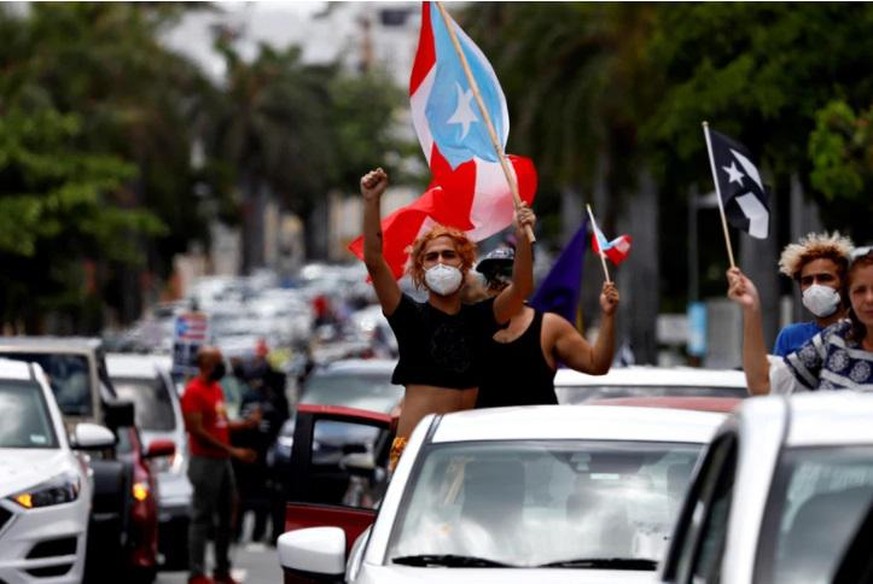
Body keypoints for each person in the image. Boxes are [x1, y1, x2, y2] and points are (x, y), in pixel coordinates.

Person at [360, 167, 535, 470]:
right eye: (431, 257)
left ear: (464, 262)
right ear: (421, 269)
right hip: (415, 456)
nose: (440, 262)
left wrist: (522, 239)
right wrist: (372, 201)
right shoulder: (408, 316)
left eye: (449, 255)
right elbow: (375, 262)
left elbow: (521, 288)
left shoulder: (481, 318)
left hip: (466, 456)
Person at [466, 247, 620, 407]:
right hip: (486, 429)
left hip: (539, 428)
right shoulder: (470, 323)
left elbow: (596, 364)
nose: (499, 282)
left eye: (508, 272)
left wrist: (608, 315)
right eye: (491, 275)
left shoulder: (549, 326)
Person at [726, 246, 873, 395]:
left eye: (824, 278)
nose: (869, 299)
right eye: (860, 290)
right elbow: (764, 385)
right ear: (850, 294)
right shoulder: (835, 339)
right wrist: (752, 308)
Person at [181, 346, 260, 584]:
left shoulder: (216, 389)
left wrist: (246, 424)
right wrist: (233, 451)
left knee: (227, 514)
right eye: (218, 362)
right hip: (205, 461)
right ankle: (196, 572)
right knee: (202, 516)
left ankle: (221, 569)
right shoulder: (193, 392)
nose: (222, 367)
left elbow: (221, 424)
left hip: (222, 461)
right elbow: (198, 431)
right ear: (206, 365)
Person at [772, 231, 854, 356]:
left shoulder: (863, 333)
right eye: (807, 281)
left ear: (844, 282)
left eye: (825, 278)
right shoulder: (790, 336)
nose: (815, 287)